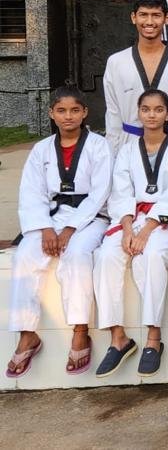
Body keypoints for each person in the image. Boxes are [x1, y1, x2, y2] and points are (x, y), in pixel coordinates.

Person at [6, 87, 112, 378]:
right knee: (24, 256)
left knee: (77, 254)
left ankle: (80, 330)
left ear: (85, 113)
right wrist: (44, 229)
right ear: (51, 113)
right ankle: (27, 333)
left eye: (75, 110)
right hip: (50, 217)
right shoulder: (41, 149)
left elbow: (100, 192)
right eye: (61, 111)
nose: (68, 116)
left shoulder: (99, 146)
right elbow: (32, 193)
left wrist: (69, 229)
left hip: (89, 217)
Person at [93, 89, 168, 378]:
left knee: (150, 257)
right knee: (106, 256)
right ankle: (118, 337)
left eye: (158, 109)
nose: (152, 115)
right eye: (146, 109)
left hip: (165, 221)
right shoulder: (127, 151)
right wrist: (127, 229)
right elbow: (121, 192)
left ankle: (153, 337)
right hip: (130, 218)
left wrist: (146, 230)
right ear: (138, 113)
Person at [103, 0, 168, 150]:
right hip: (129, 145)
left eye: (156, 15)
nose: (149, 22)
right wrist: (114, 153)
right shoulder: (116, 62)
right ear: (134, 17)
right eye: (143, 15)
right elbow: (113, 117)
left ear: (166, 18)